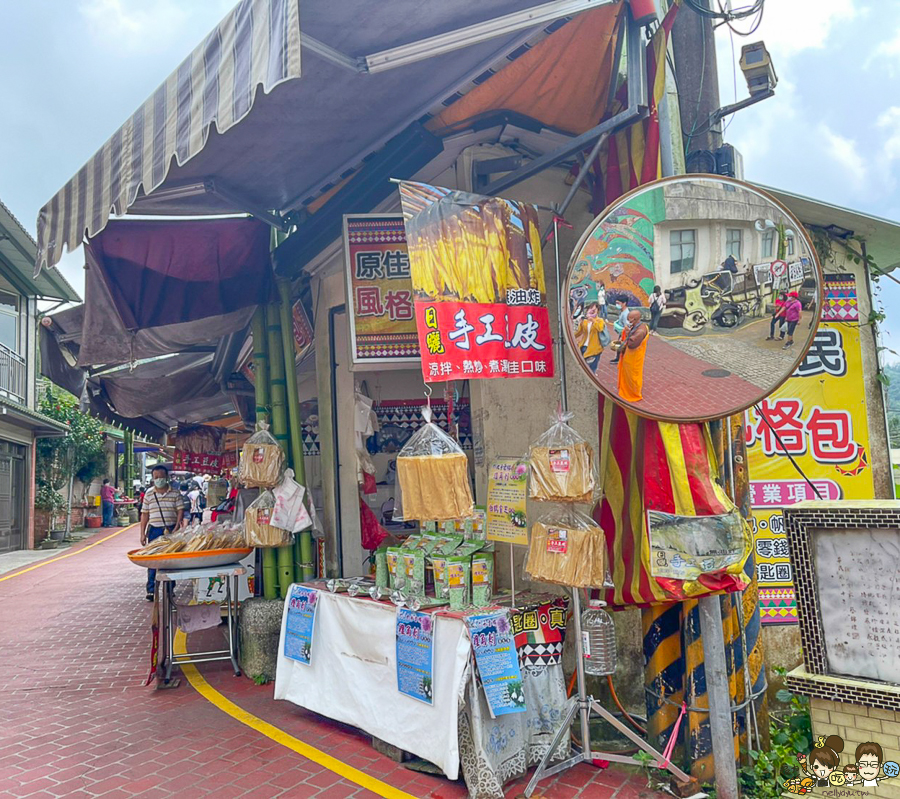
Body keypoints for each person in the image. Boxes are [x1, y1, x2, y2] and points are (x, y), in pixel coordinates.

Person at [139, 465, 183, 600]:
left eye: (161, 477)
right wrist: (142, 533)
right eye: (156, 477)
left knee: (171, 560)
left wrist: (177, 527)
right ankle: (151, 590)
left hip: (170, 529)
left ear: (167, 477)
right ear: (152, 478)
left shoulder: (175, 493)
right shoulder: (149, 494)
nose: (159, 480)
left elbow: (180, 510)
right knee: (152, 559)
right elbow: (144, 514)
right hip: (154, 530)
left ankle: (170, 588)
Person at [618, 309, 649, 402]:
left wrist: (627, 333)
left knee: (632, 375)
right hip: (630, 355)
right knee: (627, 373)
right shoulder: (637, 325)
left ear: (635, 319)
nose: (628, 320)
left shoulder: (641, 331)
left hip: (634, 357)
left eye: (629, 319)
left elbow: (632, 344)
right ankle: (626, 389)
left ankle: (633, 393)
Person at [574, 302, 607, 373]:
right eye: (590, 308)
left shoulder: (600, 321)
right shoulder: (585, 321)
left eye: (594, 309)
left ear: (598, 310)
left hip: (594, 349)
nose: (592, 310)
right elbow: (579, 332)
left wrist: (593, 320)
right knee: (582, 367)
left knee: (591, 369)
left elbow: (600, 328)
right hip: (583, 346)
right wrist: (571, 336)